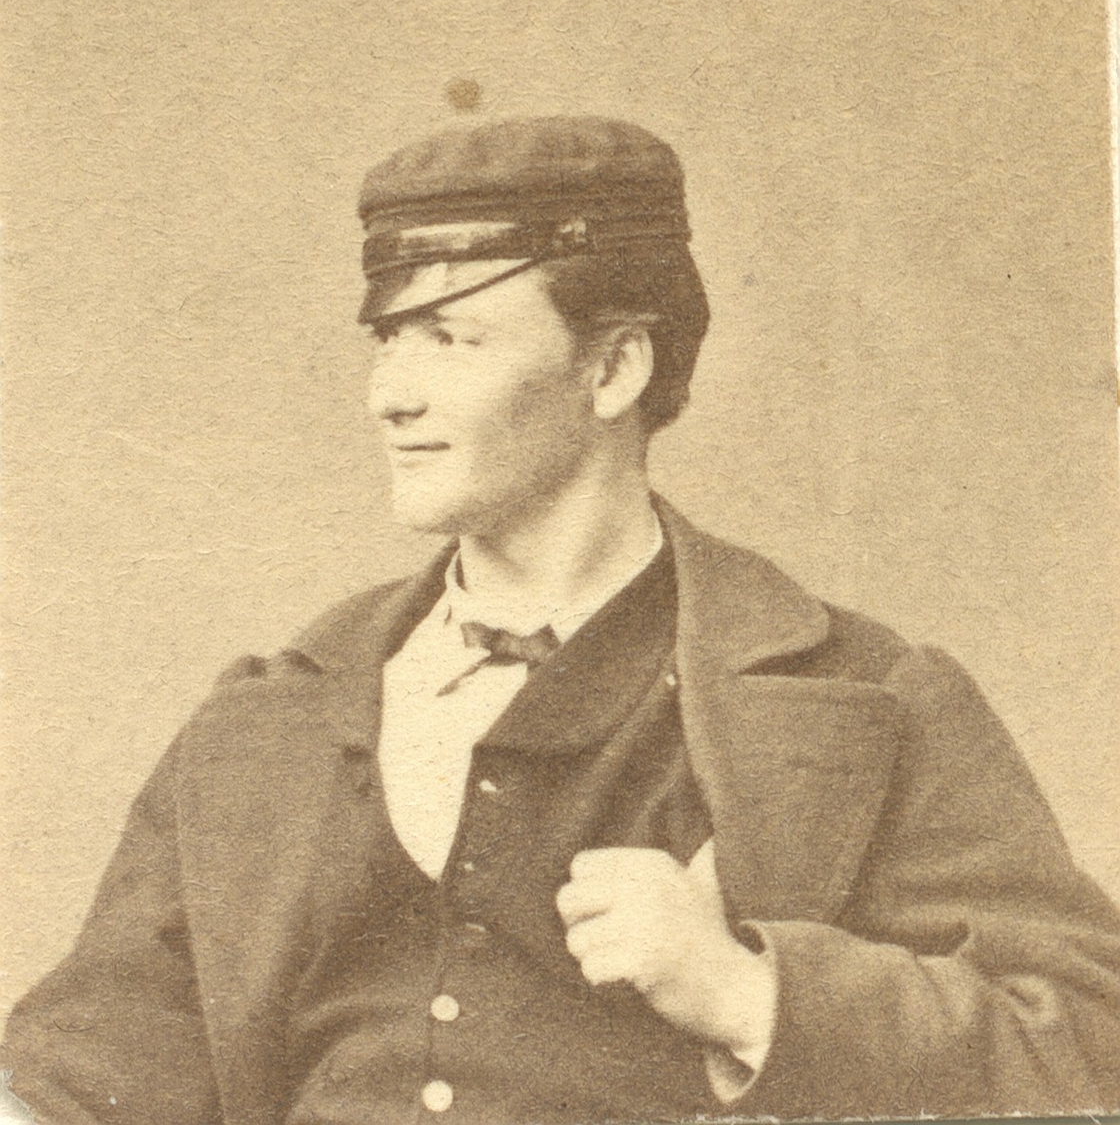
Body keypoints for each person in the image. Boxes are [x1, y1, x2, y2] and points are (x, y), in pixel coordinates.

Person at [3, 116, 1119, 1125]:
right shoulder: (271, 717)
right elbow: (85, 1070)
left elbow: (1085, 1042)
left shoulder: (863, 700)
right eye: (387, 340)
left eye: (451, 338)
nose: (389, 394)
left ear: (614, 368)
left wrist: (747, 992)